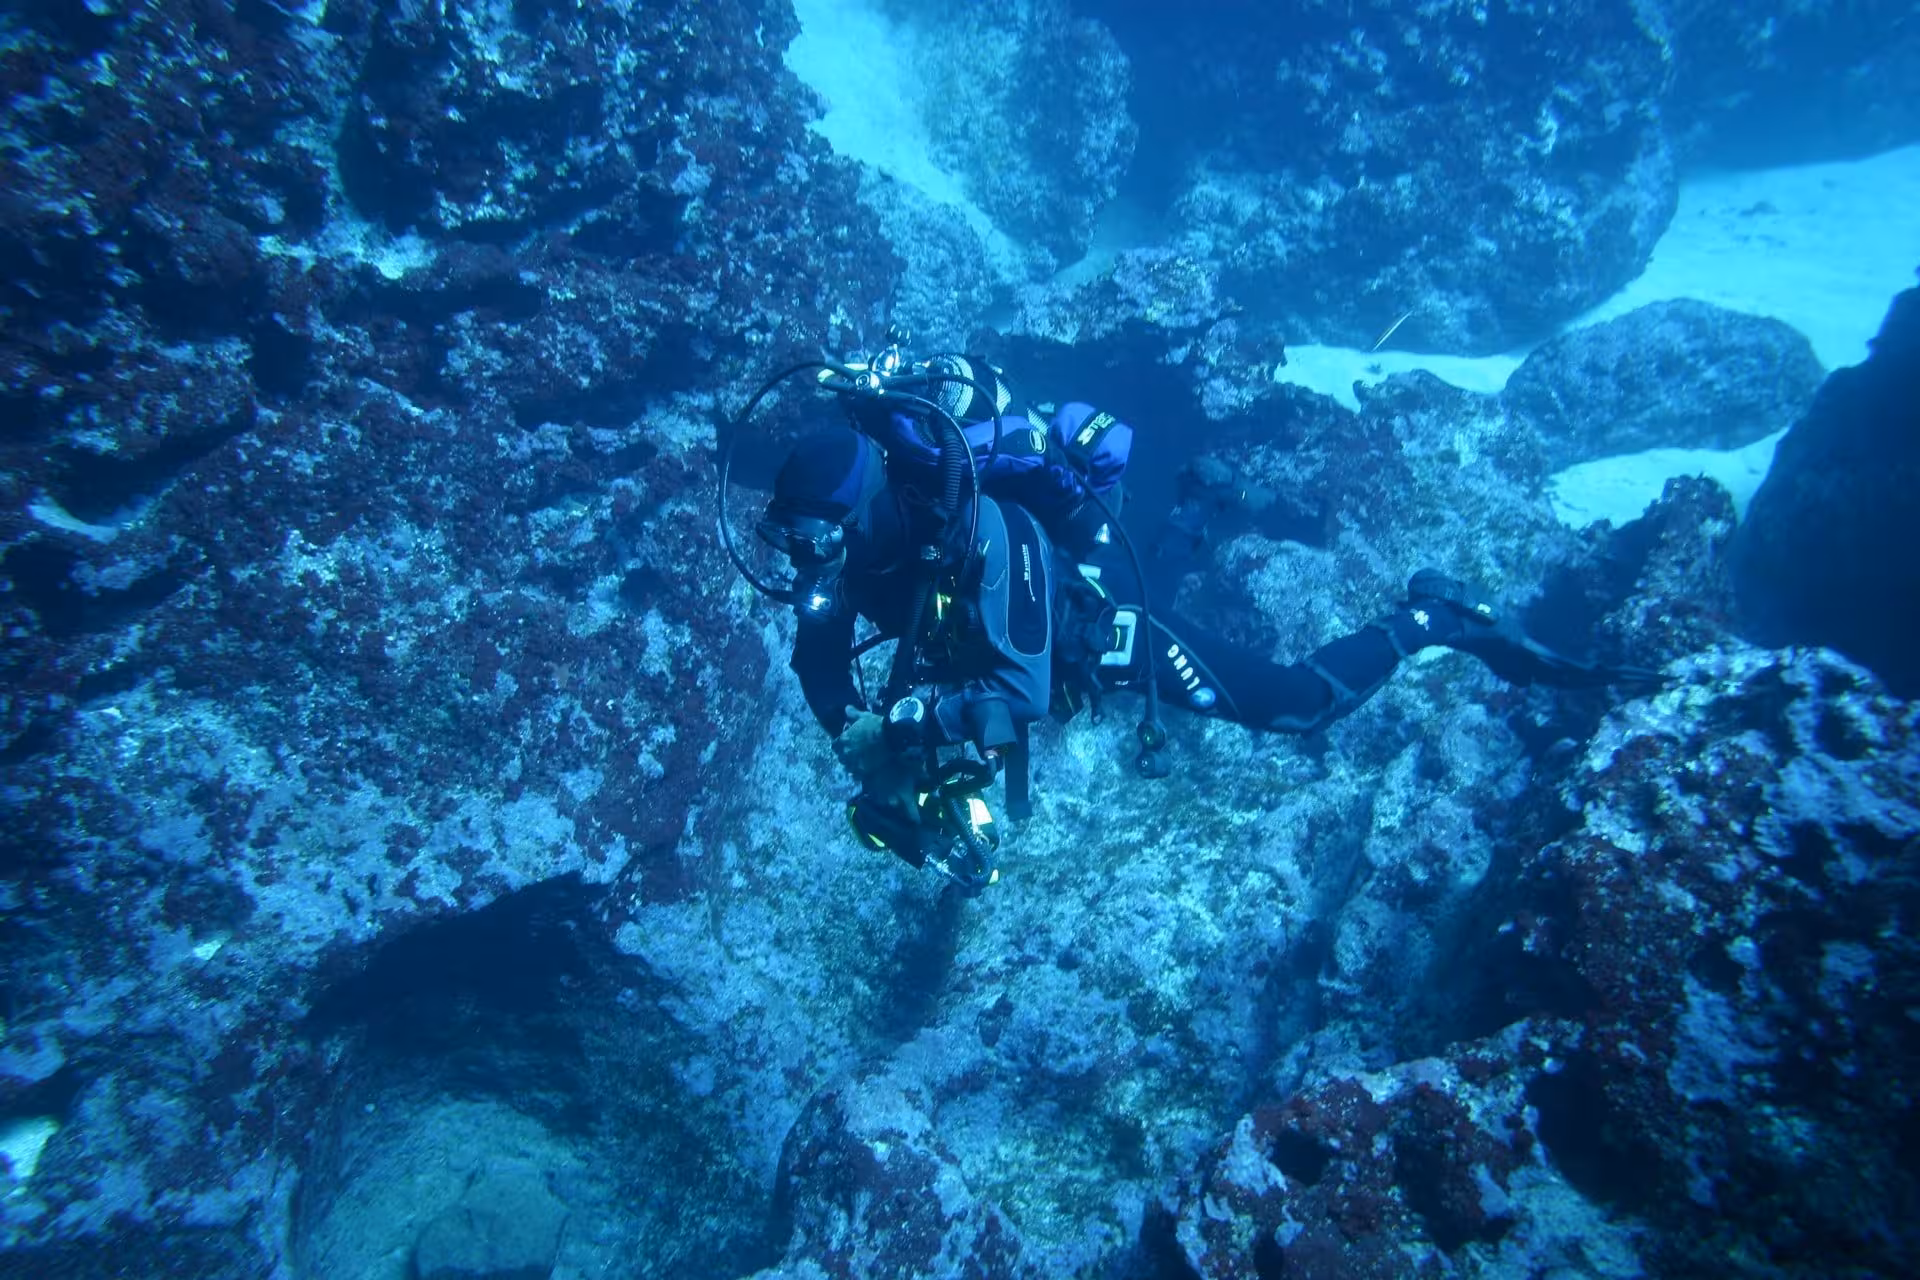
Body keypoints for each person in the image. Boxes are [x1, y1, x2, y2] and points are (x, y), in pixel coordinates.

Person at [745, 351, 1652, 888]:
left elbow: (1017, 695)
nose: (800, 558)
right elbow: (817, 659)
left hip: (1068, 622)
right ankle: (1195, 508)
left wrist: (906, 722)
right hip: (1005, 626)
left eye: (813, 536)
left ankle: (1435, 616)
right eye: (790, 537)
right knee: (1125, 612)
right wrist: (852, 730)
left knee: (1293, 705)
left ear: (862, 508)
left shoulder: (988, 526)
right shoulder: (846, 557)